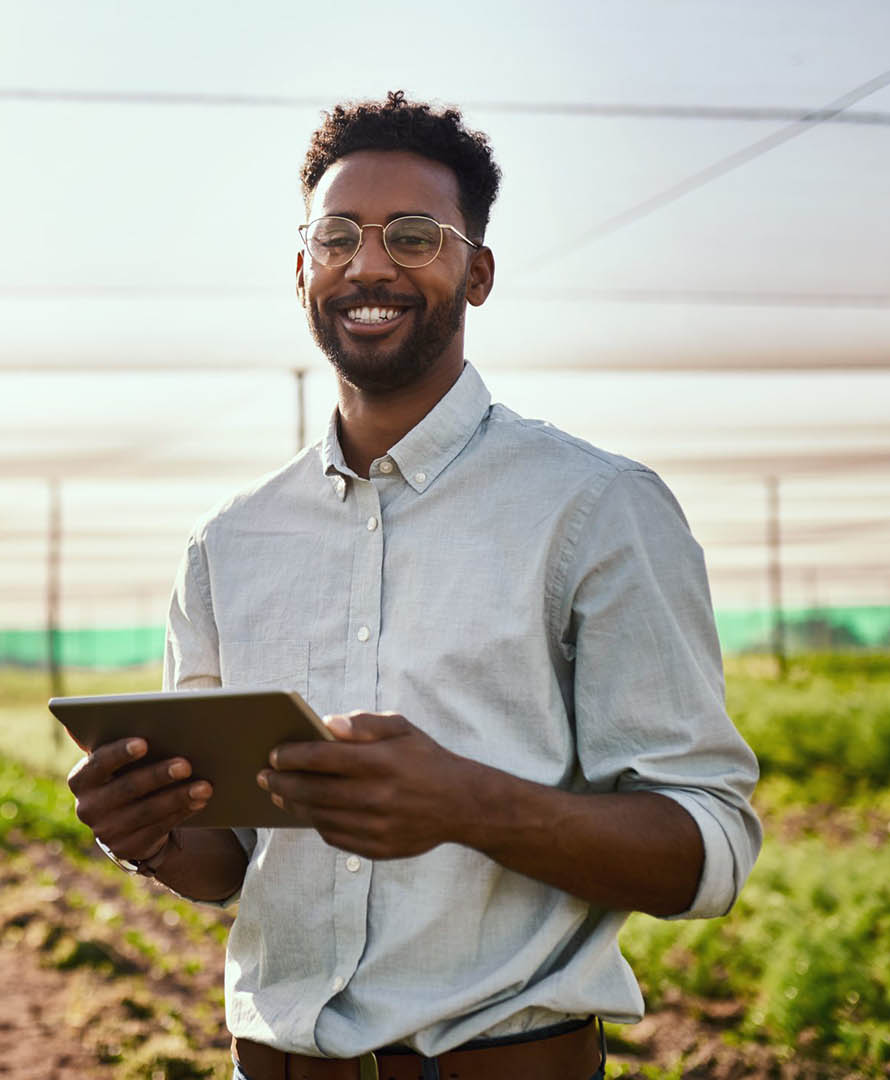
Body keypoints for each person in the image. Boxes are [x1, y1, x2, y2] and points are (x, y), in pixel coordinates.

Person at [65, 91, 762, 1080]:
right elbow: (228, 865)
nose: (370, 263)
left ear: (475, 271)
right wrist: (149, 834)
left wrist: (465, 804)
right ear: (302, 269)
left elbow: (706, 849)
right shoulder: (230, 542)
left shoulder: (596, 508)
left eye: (413, 235)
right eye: (338, 236)